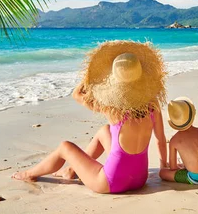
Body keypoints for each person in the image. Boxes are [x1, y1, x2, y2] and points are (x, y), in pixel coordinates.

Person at [12, 41, 168, 194]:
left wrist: (92, 76)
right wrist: (164, 168)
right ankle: (72, 170)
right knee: (104, 131)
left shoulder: (113, 111)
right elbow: (160, 140)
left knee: (65, 147)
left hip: (111, 183)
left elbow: (77, 94)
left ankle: (29, 174)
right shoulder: (153, 108)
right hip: (139, 179)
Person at [159, 97, 198, 185]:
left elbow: (173, 168)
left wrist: (182, 166)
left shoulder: (174, 141)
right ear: (191, 115)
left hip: (196, 178)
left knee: (162, 173)